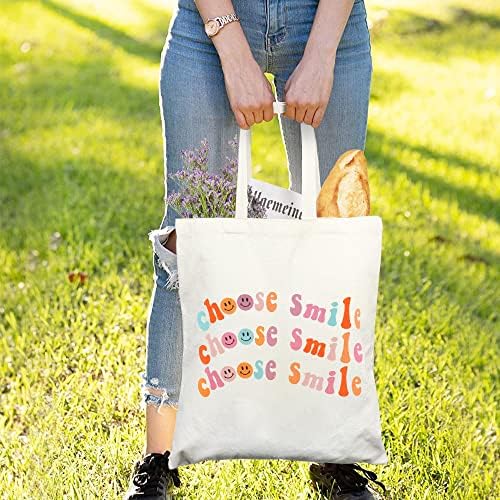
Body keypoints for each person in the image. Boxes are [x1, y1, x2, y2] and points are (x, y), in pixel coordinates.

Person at [124, 0, 386, 499]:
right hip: (212, 21)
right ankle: (157, 460)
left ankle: (337, 459)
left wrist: (323, 49)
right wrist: (231, 48)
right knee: (186, 240)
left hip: (327, 17)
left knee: (334, 241)